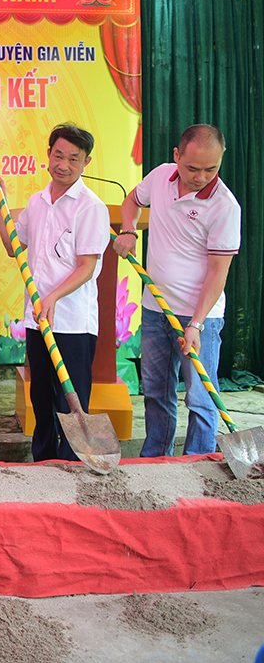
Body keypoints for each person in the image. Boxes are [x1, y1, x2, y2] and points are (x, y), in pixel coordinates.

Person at [113, 124, 240, 457]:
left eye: (211, 169)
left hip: (200, 318)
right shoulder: (160, 177)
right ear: (176, 156)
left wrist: (196, 325)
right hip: (155, 309)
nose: (201, 177)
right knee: (156, 391)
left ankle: (198, 461)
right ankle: (156, 458)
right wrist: (128, 230)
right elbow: (132, 200)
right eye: (192, 168)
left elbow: (217, 272)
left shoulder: (225, 206)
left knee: (200, 396)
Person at [0, 123, 109, 462]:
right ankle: (42, 461)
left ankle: (71, 465)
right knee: (40, 397)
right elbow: (15, 246)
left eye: (74, 158)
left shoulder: (90, 207)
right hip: (37, 319)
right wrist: (1, 203)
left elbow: (87, 266)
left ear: (86, 162)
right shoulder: (38, 202)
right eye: (59, 155)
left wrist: (53, 297)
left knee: (69, 403)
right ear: (48, 155)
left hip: (72, 323)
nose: (64, 165)